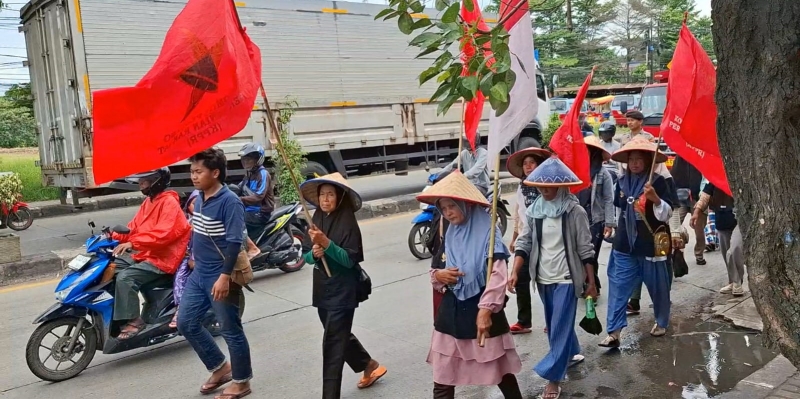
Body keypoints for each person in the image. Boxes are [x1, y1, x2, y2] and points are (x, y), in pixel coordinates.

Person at [416, 172, 523, 399]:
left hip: (482, 308)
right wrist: (440, 275)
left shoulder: (488, 231)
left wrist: (485, 310)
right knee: (443, 374)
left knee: (499, 370)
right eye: (443, 209)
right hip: (452, 309)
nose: (448, 213)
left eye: (452, 206)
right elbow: (438, 268)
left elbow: (498, 275)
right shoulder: (451, 231)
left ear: (465, 204)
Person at [511, 157, 598, 399]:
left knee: (558, 326)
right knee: (555, 325)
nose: (544, 190)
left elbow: (585, 249)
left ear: (561, 186)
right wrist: (514, 271)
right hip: (543, 277)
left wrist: (590, 283)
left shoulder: (574, 211)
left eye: (549, 186)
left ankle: (553, 378)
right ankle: (571, 352)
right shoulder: (534, 211)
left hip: (568, 278)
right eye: (540, 186)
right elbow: (525, 242)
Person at [299, 173, 386, 399]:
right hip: (322, 287)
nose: (325, 199)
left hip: (343, 288)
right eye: (322, 195)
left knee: (332, 344)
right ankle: (368, 364)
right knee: (337, 334)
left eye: (330, 194)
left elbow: (349, 260)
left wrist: (326, 244)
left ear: (339, 198)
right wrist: (315, 254)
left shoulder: (347, 222)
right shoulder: (315, 217)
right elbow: (306, 257)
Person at [178, 148, 252, 399]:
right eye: (192, 171)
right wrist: (193, 256)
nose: (194, 176)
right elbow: (199, 231)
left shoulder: (229, 201)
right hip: (199, 273)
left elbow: (234, 242)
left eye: (198, 171)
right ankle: (221, 368)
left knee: (230, 328)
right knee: (186, 322)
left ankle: (242, 381)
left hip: (221, 274)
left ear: (215, 172)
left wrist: (223, 277)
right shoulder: (199, 197)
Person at [600, 140, 674, 348]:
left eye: (638, 159)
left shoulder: (659, 182)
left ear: (648, 162)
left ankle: (661, 321)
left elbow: (667, 214)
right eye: (630, 159)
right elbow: (619, 209)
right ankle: (614, 332)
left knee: (658, 287)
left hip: (651, 244)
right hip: (624, 244)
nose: (634, 164)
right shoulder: (622, 183)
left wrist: (656, 199)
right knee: (618, 286)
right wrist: (613, 227)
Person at [111, 167, 191, 340]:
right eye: (140, 181)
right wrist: (112, 236)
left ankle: (134, 320)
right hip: (146, 254)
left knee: (125, 277)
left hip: (162, 259)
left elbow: (163, 234)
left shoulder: (169, 203)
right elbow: (133, 227)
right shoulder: (149, 202)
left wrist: (133, 243)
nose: (141, 185)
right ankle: (117, 315)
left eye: (145, 181)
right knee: (111, 269)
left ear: (157, 181)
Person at [505, 146, 551, 334]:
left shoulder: (547, 186)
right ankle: (524, 321)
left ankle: (552, 318)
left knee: (546, 281)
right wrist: (515, 236)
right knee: (520, 278)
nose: (528, 167)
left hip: (546, 239)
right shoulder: (522, 186)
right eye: (525, 164)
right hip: (526, 238)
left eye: (532, 163)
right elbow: (519, 213)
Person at [692, 182, 744, 296]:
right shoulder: (714, 179)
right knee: (726, 253)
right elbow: (704, 197)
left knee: (734, 250)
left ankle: (737, 282)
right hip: (722, 220)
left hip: (740, 221)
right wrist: (696, 212)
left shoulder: (741, 174)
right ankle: (733, 281)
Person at [578, 136, 616, 292]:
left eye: (588, 151)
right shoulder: (577, 170)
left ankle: (592, 286)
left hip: (596, 220)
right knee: (581, 254)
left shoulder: (603, 174)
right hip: (579, 219)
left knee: (591, 255)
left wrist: (609, 223)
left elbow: (609, 199)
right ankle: (592, 283)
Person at [238, 143, 274, 259]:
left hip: (261, 212)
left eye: (249, 160)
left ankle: (253, 248)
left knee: (235, 221)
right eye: (245, 160)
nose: (246, 163)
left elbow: (259, 196)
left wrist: (240, 200)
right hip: (250, 210)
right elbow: (239, 188)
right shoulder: (249, 174)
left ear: (258, 160)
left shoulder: (263, 174)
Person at [170, 189, 200, 329]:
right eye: (194, 203)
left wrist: (192, 258)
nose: (197, 207)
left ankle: (180, 310)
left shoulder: (200, 221)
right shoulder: (184, 219)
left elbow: (197, 243)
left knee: (180, 278)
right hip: (180, 255)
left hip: (194, 257)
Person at [670, 156, 707, 265]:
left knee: (699, 229)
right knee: (675, 226)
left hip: (698, 197)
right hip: (680, 196)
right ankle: (676, 254)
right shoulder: (680, 154)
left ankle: (699, 255)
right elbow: (673, 176)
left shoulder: (701, 154)